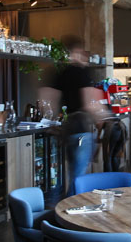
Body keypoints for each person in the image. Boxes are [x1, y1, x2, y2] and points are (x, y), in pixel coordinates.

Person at [41, 36, 104, 195]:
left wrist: (52, 121)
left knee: (65, 172)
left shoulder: (60, 73)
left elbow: (46, 98)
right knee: (78, 176)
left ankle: (58, 204)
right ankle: (73, 205)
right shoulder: (82, 73)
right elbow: (90, 104)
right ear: (79, 51)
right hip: (82, 130)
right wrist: (104, 117)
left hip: (68, 130)